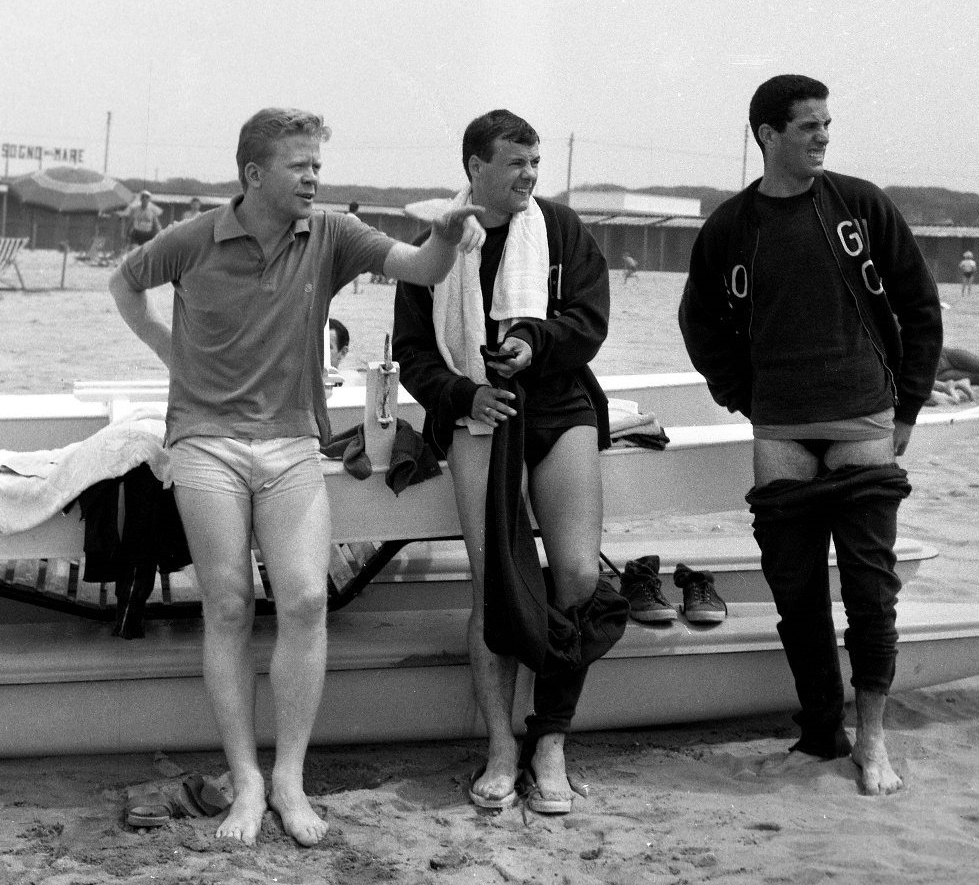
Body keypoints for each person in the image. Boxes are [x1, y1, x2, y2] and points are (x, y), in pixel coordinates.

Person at [110, 107, 481, 847]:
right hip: (206, 442)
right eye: (299, 165)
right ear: (254, 174)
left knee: (307, 600)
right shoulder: (193, 237)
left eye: (318, 164)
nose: (314, 176)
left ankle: (289, 778)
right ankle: (245, 779)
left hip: (291, 443)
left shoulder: (333, 234)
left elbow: (420, 268)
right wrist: (170, 353)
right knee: (228, 606)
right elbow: (125, 283)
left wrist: (444, 235)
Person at [679, 75, 941, 796]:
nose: (823, 136)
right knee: (796, 598)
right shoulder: (732, 226)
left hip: (863, 421)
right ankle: (822, 732)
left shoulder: (859, 204)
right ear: (768, 135)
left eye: (827, 124)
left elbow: (920, 305)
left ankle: (873, 738)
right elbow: (700, 322)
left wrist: (909, 408)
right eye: (808, 126)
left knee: (870, 593)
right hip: (781, 431)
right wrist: (743, 395)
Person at [393, 109, 614, 816]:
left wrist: (532, 343)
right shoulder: (433, 245)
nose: (530, 175)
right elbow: (412, 354)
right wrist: (467, 393)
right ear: (476, 167)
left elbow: (590, 321)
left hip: (558, 405)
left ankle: (550, 737)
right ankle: (500, 747)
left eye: (535, 162)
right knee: (495, 584)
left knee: (578, 573)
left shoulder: (561, 230)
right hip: (479, 413)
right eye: (516, 163)